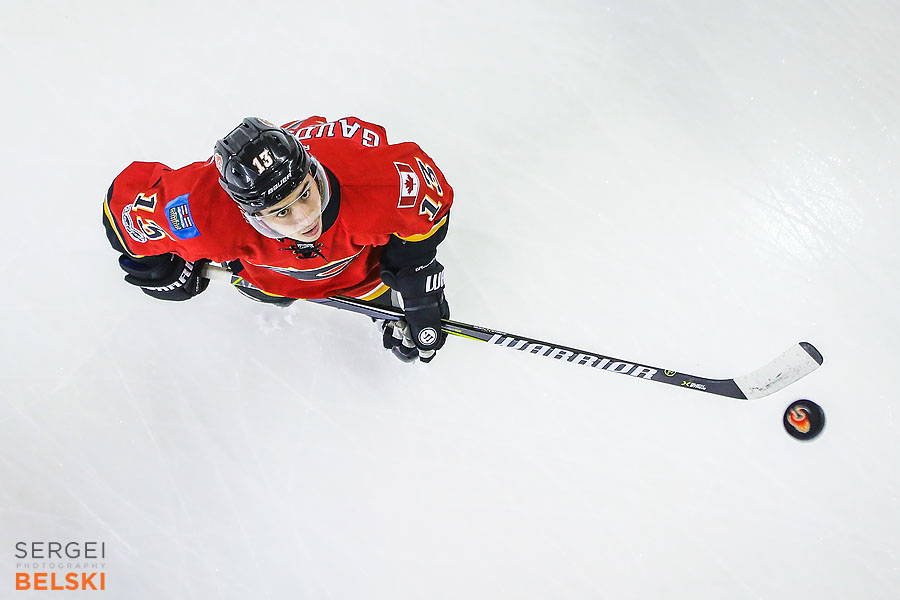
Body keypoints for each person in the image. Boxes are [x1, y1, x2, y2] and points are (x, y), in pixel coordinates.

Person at [102, 116, 453, 363]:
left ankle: (380, 304)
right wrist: (157, 268)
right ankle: (281, 292)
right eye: (281, 212)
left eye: (304, 193)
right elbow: (124, 212)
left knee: (379, 287)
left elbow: (430, 203)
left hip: (360, 268)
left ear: (313, 170)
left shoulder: (377, 186)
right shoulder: (204, 214)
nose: (305, 219)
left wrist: (415, 266)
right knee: (271, 295)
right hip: (269, 276)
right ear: (249, 214)